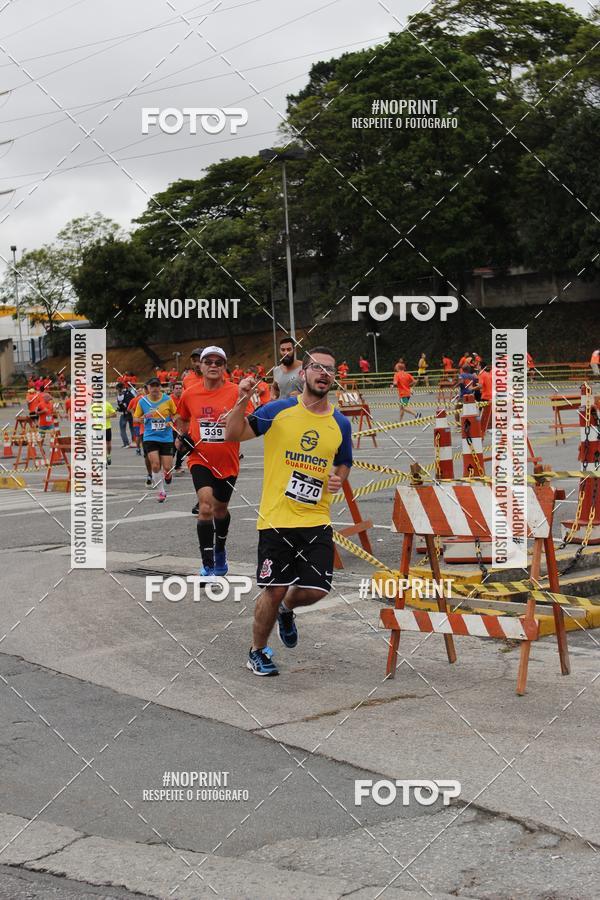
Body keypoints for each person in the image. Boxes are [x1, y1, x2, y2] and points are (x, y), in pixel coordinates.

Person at [225, 346, 353, 677]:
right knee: (275, 588)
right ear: (303, 373)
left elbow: (344, 462)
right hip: (276, 518)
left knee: (317, 588)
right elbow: (233, 433)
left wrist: (338, 479)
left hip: (316, 518)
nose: (324, 373)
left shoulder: (340, 422)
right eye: (317, 367)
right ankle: (257, 651)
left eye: (330, 369)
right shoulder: (278, 410)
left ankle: (287, 609)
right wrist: (241, 399)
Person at [175, 346, 251, 578]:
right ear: (200, 365)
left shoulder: (236, 392)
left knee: (220, 510)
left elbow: (250, 422)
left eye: (219, 362)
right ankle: (207, 564)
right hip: (200, 458)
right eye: (208, 361)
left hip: (227, 461)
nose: (213, 366)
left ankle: (220, 549)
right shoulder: (190, 393)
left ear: (225, 367)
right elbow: (181, 418)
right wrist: (181, 437)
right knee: (206, 505)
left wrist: (234, 422)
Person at [134, 377, 177, 502]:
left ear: (160, 387)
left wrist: (172, 421)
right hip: (150, 437)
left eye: (157, 386)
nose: (155, 388)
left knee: (167, 467)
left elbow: (176, 414)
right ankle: (161, 491)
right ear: (147, 388)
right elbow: (135, 418)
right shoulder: (143, 401)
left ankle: (168, 475)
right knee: (155, 464)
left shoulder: (167, 400)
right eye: (152, 386)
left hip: (166, 437)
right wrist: (141, 419)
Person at [90, 397, 117, 465]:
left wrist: (106, 416)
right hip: (98, 427)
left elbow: (114, 414)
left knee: (108, 444)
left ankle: (108, 455)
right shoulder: (93, 406)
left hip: (107, 427)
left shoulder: (107, 404)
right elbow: (91, 416)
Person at [116, 381, 135, 448]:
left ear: (119, 388)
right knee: (132, 428)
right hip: (131, 412)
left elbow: (121, 404)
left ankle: (126, 443)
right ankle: (134, 442)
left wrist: (119, 409)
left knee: (122, 429)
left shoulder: (120, 395)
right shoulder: (130, 393)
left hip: (124, 413)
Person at [478, 363, 493, 432]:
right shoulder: (488, 374)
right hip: (490, 394)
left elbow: (480, 386)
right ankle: (489, 426)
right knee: (489, 412)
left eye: (478, 365)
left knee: (482, 412)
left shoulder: (481, 375)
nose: (477, 366)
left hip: (485, 395)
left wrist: (473, 388)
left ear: (480, 367)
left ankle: (482, 427)